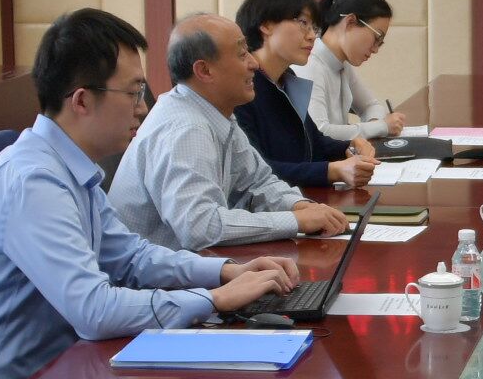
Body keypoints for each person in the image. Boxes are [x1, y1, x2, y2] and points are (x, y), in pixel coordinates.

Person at [0, 9, 298, 379]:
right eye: (133, 93)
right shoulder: (33, 180)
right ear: (81, 100)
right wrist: (213, 299)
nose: (143, 108)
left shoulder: (71, 169)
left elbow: (132, 257)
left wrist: (225, 272)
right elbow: (93, 310)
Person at [110, 14, 354, 250]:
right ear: (204, 71)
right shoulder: (186, 129)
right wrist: (296, 221)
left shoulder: (215, 113)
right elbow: (200, 227)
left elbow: (258, 182)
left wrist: (301, 207)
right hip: (158, 275)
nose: (254, 63)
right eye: (242, 54)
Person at [232, 0, 374, 190]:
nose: (312, 36)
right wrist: (331, 171)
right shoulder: (241, 87)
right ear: (266, 25)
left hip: (299, 198)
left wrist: (349, 145)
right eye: (303, 23)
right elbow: (255, 170)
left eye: (313, 27)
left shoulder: (286, 78)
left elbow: (313, 141)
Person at [306, 0, 411, 142]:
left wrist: (375, 126)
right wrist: (382, 126)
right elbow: (320, 132)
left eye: (380, 43)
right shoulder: (309, 63)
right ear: (350, 21)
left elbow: (371, 106)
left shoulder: (342, 63)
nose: (375, 49)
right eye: (377, 38)